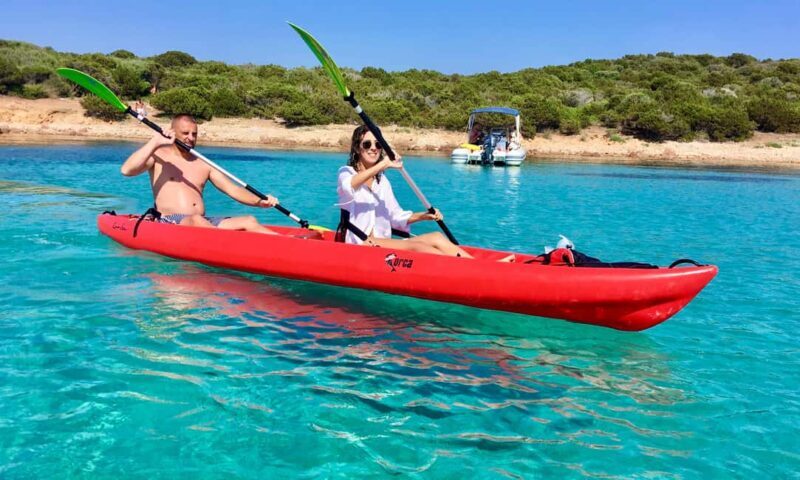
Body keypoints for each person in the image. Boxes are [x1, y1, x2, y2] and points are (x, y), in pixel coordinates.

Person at [337, 125, 514, 262]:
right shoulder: (346, 173)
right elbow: (349, 186)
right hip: (362, 243)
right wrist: (384, 164)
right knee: (421, 248)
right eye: (367, 144)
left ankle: (480, 267)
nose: (373, 148)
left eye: (378, 144)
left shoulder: (382, 182)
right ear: (357, 148)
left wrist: (424, 216)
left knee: (436, 237)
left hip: (382, 241)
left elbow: (396, 216)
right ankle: (470, 272)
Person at [121, 113, 279, 233]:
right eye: (185, 133)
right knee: (197, 220)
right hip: (170, 221)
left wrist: (260, 201)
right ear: (172, 132)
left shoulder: (203, 163)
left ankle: (289, 245)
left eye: (194, 134)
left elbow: (234, 190)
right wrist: (155, 142)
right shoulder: (158, 157)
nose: (190, 138)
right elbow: (127, 170)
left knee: (248, 221)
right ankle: (225, 248)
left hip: (202, 222)